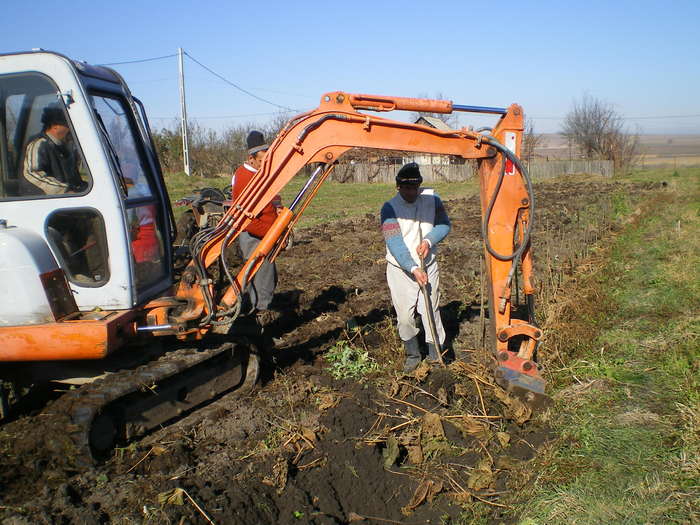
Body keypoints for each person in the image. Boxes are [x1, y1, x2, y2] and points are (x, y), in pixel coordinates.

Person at [380, 162, 451, 372]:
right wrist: (412, 267)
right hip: (401, 270)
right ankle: (413, 355)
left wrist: (429, 241)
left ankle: (434, 354)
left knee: (430, 310)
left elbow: (444, 225)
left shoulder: (432, 200)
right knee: (404, 316)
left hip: (428, 265)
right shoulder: (389, 208)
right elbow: (395, 243)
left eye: (414, 188)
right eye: (406, 189)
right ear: (398, 187)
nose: (411, 192)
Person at [232, 130, 282, 325]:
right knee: (262, 275)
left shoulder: (258, 174)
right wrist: (272, 233)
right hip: (255, 235)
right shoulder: (245, 177)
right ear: (251, 158)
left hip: (264, 233)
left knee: (267, 274)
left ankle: (259, 309)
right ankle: (260, 315)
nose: (265, 163)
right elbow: (247, 219)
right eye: (261, 160)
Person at [21, 103, 86, 195]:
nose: (72, 130)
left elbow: (75, 180)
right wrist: (64, 190)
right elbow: (32, 173)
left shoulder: (64, 149)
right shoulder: (39, 144)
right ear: (55, 126)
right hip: (44, 202)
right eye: (68, 125)